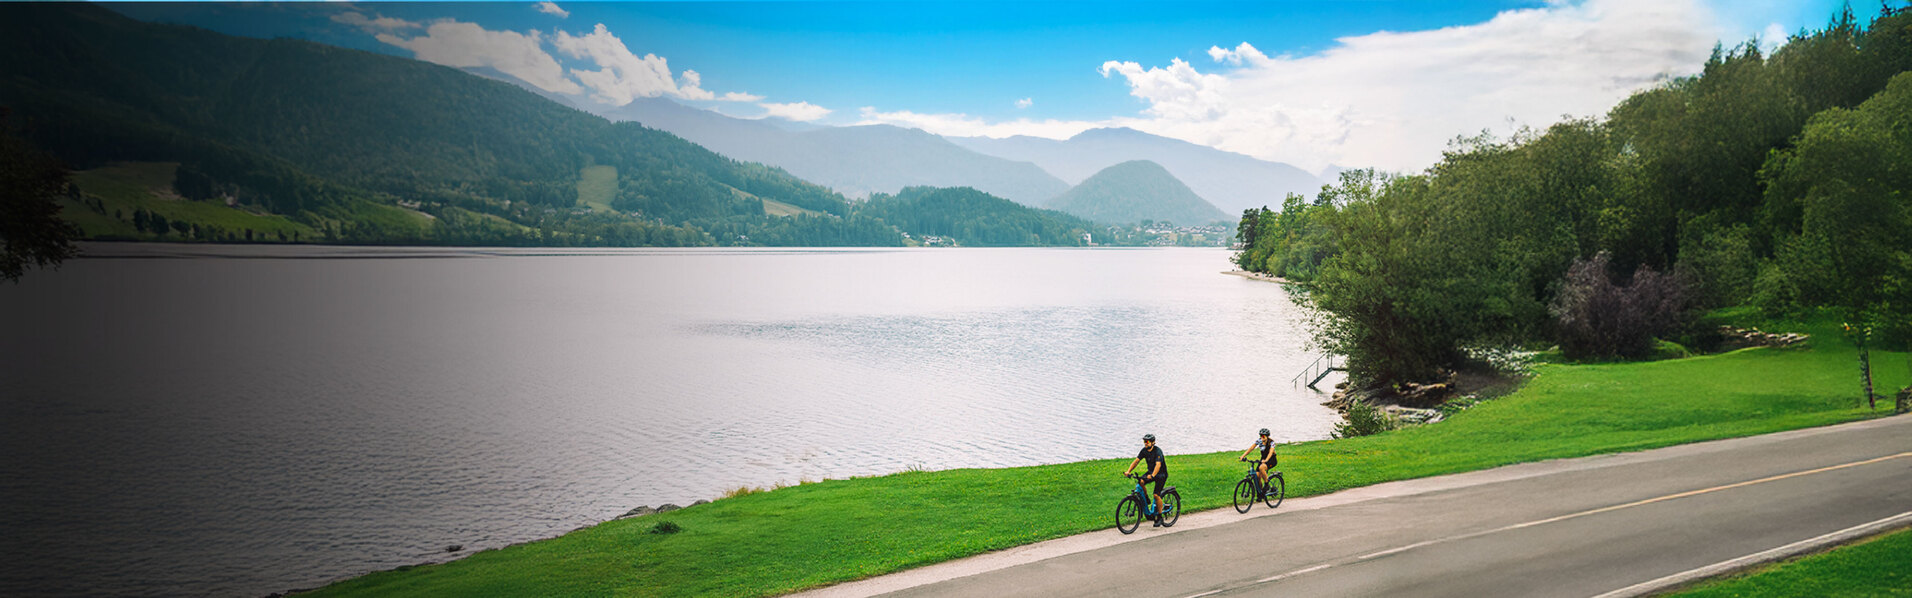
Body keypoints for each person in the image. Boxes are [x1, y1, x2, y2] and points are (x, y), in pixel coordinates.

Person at [1122, 433, 1169, 526]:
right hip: (1151, 472)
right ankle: (1146, 498)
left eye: (1147, 442)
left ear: (1153, 442)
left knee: (1156, 495)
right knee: (1141, 481)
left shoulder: (1158, 451)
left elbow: (1158, 465)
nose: (1145, 443)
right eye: (1144, 442)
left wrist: (1153, 475)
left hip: (1161, 474)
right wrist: (1128, 471)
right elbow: (1136, 461)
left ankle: (1160, 517)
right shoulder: (1144, 451)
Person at [1238, 428, 1276, 496]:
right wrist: (1242, 456)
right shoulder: (1259, 441)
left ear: (1267, 436)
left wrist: (1266, 460)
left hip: (1271, 460)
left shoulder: (1271, 443)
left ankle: (1267, 484)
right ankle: (1260, 493)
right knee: (1257, 476)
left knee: (1261, 468)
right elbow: (1251, 448)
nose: (1262, 437)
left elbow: (1270, 452)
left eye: (1263, 436)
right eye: (1261, 436)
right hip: (1263, 459)